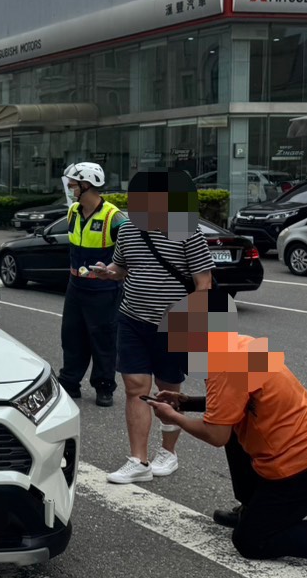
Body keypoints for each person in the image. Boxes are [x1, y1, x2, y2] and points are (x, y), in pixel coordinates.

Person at [145, 290, 307, 570]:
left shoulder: (223, 366)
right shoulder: (240, 346)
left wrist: (173, 417)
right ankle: (253, 507)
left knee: (252, 541)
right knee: (233, 432)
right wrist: (187, 403)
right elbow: (245, 399)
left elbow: (216, 435)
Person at [86, 169, 213, 484]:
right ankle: (138, 460)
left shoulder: (189, 233)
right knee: (134, 388)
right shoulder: (129, 231)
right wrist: (108, 272)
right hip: (132, 319)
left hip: (174, 323)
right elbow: (122, 268)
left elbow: (203, 283)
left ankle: (167, 453)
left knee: (168, 392)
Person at [57, 163, 128, 408]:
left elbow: (128, 255)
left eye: (73, 184)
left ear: (87, 185)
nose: (70, 188)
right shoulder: (73, 212)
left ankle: (104, 386)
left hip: (103, 289)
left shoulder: (114, 217)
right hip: (76, 286)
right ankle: (70, 382)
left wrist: (112, 273)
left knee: (104, 339)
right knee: (72, 336)